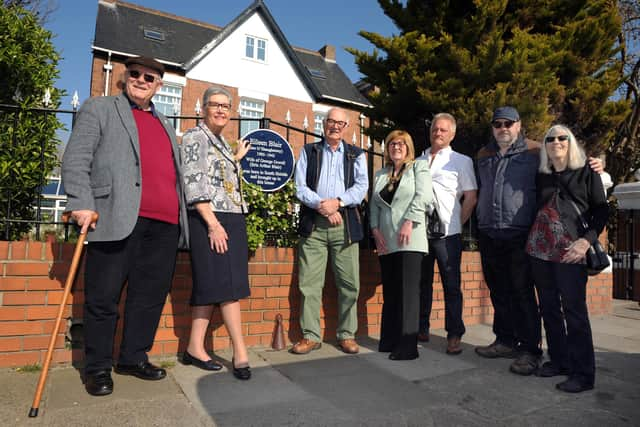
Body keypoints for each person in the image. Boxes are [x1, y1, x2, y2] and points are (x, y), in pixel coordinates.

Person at [62, 56, 188, 396]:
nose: (142, 80)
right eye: (135, 74)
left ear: (159, 85)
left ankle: (133, 357)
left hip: (164, 225)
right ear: (124, 77)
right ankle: (98, 368)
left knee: (148, 298)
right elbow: (76, 158)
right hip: (115, 216)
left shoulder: (164, 122)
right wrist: (81, 202)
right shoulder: (100, 108)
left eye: (150, 77)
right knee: (103, 298)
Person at [474, 106, 602, 376]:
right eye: (497, 123)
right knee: (502, 292)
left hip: (524, 234)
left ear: (519, 125)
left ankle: (531, 350)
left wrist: (599, 163)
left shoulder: (534, 152)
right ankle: (506, 341)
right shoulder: (484, 154)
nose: (503, 128)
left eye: (509, 123)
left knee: (524, 294)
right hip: (494, 233)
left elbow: (574, 169)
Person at [526, 125, 607, 393]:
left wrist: (586, 242)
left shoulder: (588, 172)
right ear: (545, 146)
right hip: (540, 250)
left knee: (574, 311)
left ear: (571, 142)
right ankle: (559, 361)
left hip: (572, 250)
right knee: (548, 308)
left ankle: (583, 374)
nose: (556, 142)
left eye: (563, 137)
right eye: (551, 138)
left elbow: (601, 212)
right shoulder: (542, 175)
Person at [180, 86, 252, 380]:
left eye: (226, 106)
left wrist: (235, 158)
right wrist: (212, 224)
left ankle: (194, 347)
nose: (221, 110)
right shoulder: (196, 136)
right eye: (215, 105)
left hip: (231, 216)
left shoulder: (218, 139)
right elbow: (195, 182)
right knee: (228, 286)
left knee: (212, 285)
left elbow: (217, 177)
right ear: (203, 108)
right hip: (212, 219)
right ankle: (241, 352)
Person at [292, 107, 369, 355]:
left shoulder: (356, 154)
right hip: (314, 224)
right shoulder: (309, 151)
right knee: (309, 284)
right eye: (330, 121)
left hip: (344, 226)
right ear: (323, 124)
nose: (334, 126)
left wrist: (338, 202)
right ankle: (310, 336)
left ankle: (347, 335)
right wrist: (323, 206)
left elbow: (361, 187)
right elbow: (300, 187)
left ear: (347, 127)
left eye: (340, 123)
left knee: (349, 284)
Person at [418, 113, 477, 355]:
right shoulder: (419, 158)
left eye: (443, 130)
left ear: (452, 134)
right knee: (422, 284)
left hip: (447, 235)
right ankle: (421, 327)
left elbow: (471, 196)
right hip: (420, 233)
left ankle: (454, 334)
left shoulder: (461, 161)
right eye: (435, 129)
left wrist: (455, 223)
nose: (438, 133)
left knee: (451, 286)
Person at [370, 130, 432, 360]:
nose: (396, 147)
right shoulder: (380, 174)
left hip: (410, 238)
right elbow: (374, 205)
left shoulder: (418, 167)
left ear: (408, 147)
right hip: (387, 240)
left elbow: (423, 195)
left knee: (408, 293)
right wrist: (375, 230)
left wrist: (409, 221)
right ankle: (389, 340)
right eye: (392, 143)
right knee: (391, 292)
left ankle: (408, 346)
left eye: (401, 144)